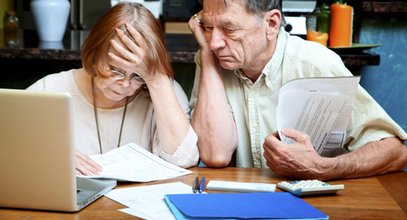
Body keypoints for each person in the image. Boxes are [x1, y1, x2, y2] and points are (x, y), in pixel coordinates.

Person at [188, 0, 407, 180]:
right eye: (208, 27)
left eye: (230, 29)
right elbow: (215, 155)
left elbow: (395, 152)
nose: (215, 42)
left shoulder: (314, 63)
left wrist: (322, 168)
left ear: (272, 24)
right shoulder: (210, 57)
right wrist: (207, 58)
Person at [27, 2, 199, 175]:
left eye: (137, 76)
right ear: (94, 54)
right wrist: (49, 155)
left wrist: (156, 78)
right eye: (116, 70)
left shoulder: (162, 89)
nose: (125, 84)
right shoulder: (50, 89)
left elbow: (183, 159)